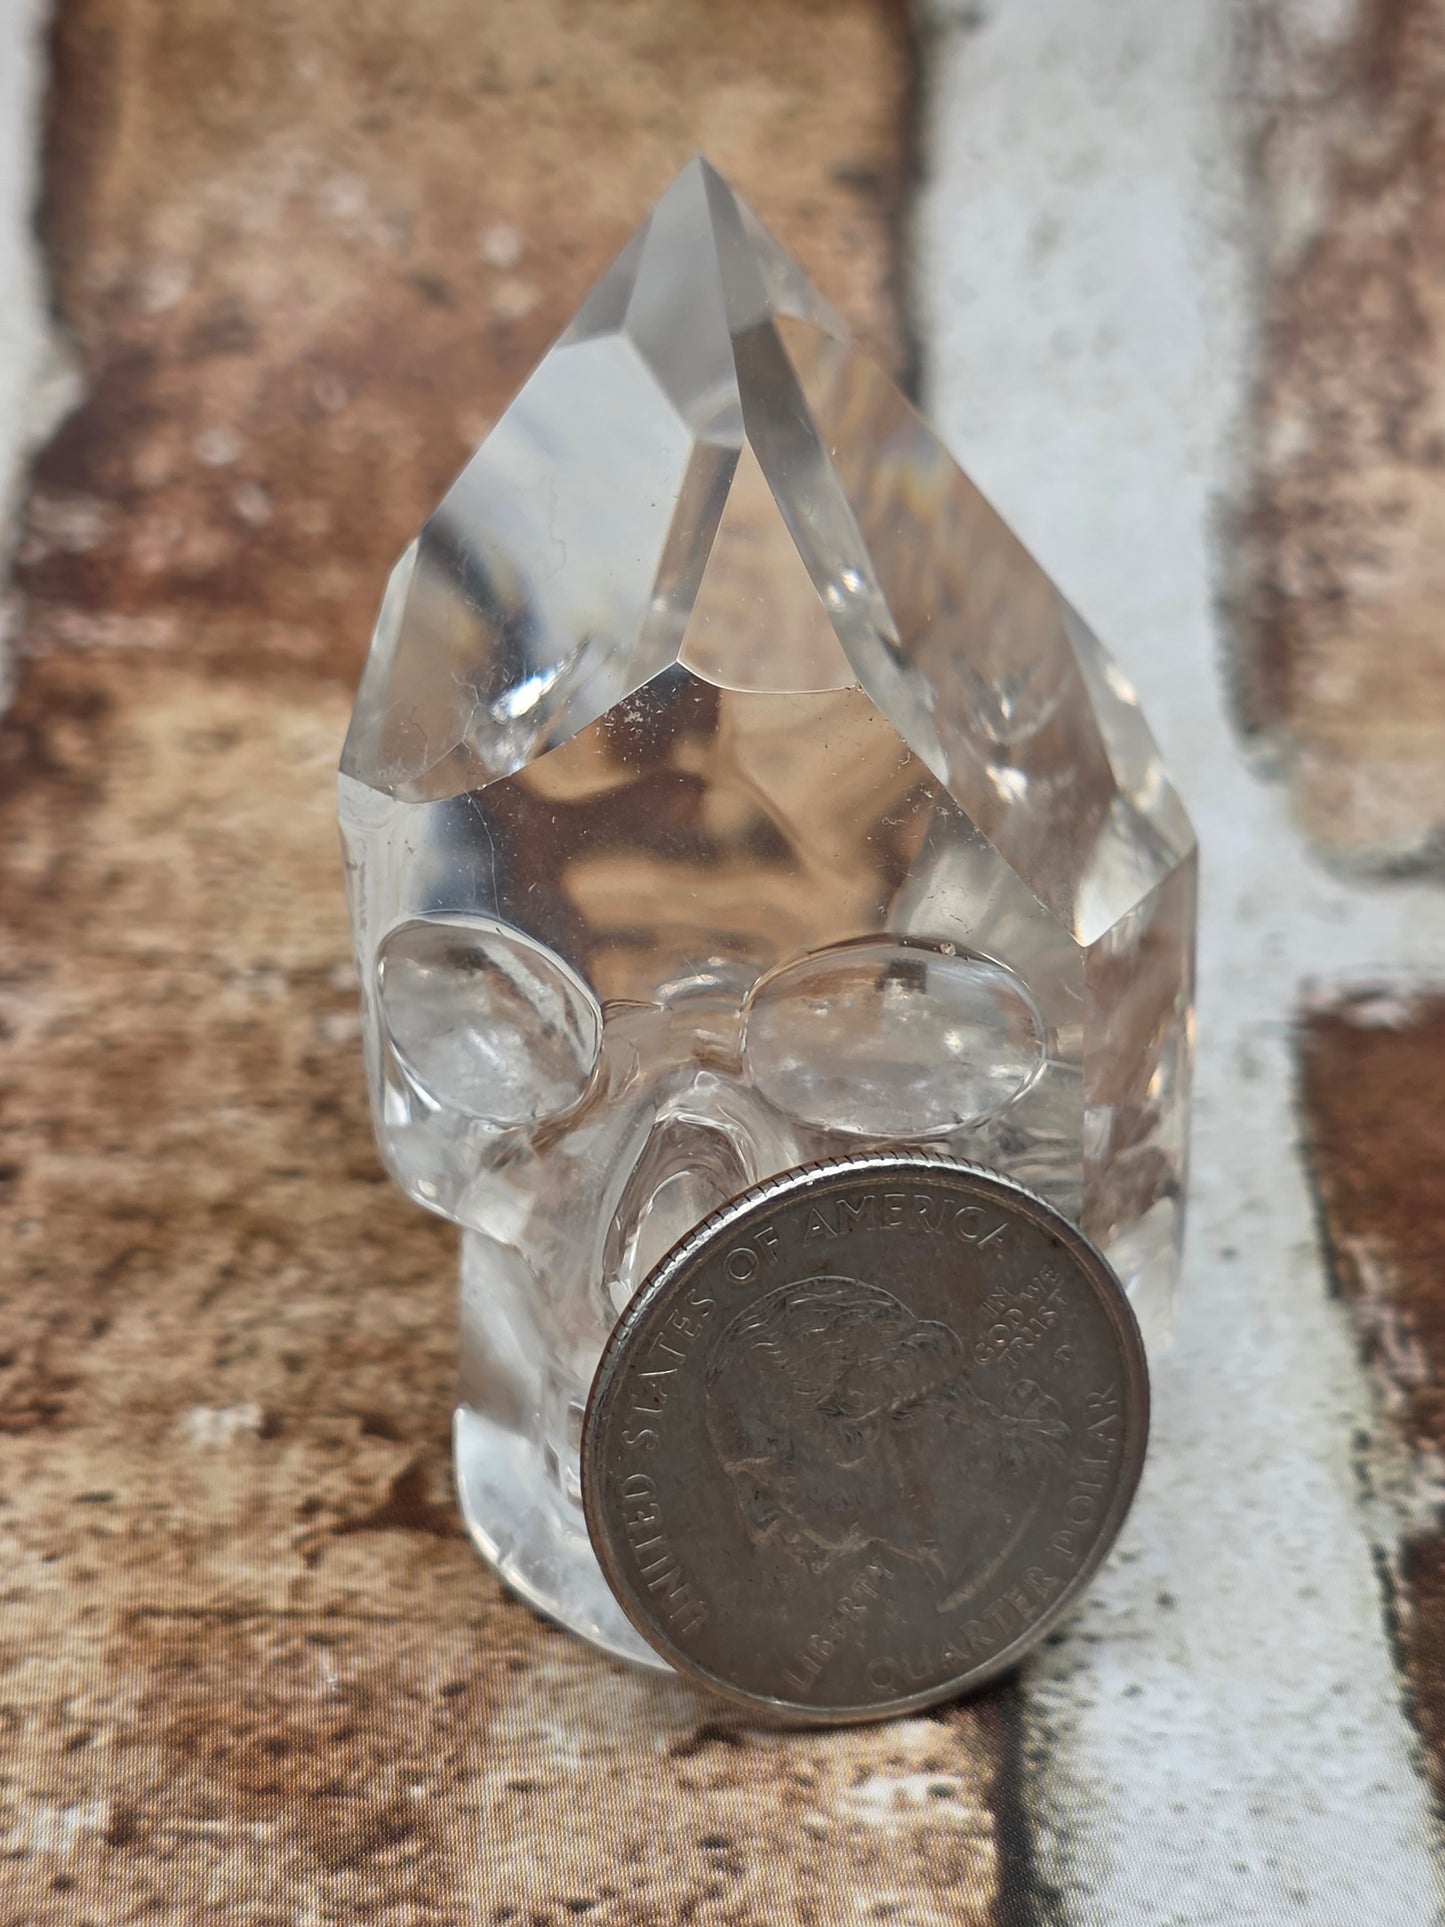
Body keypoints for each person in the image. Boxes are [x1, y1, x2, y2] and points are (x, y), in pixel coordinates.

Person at [703, 1275, 1069, 1602]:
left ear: (855, 1429)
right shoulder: (958, 1564)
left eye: (764, 1471)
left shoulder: (1040, 1497)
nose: (758, 1522)